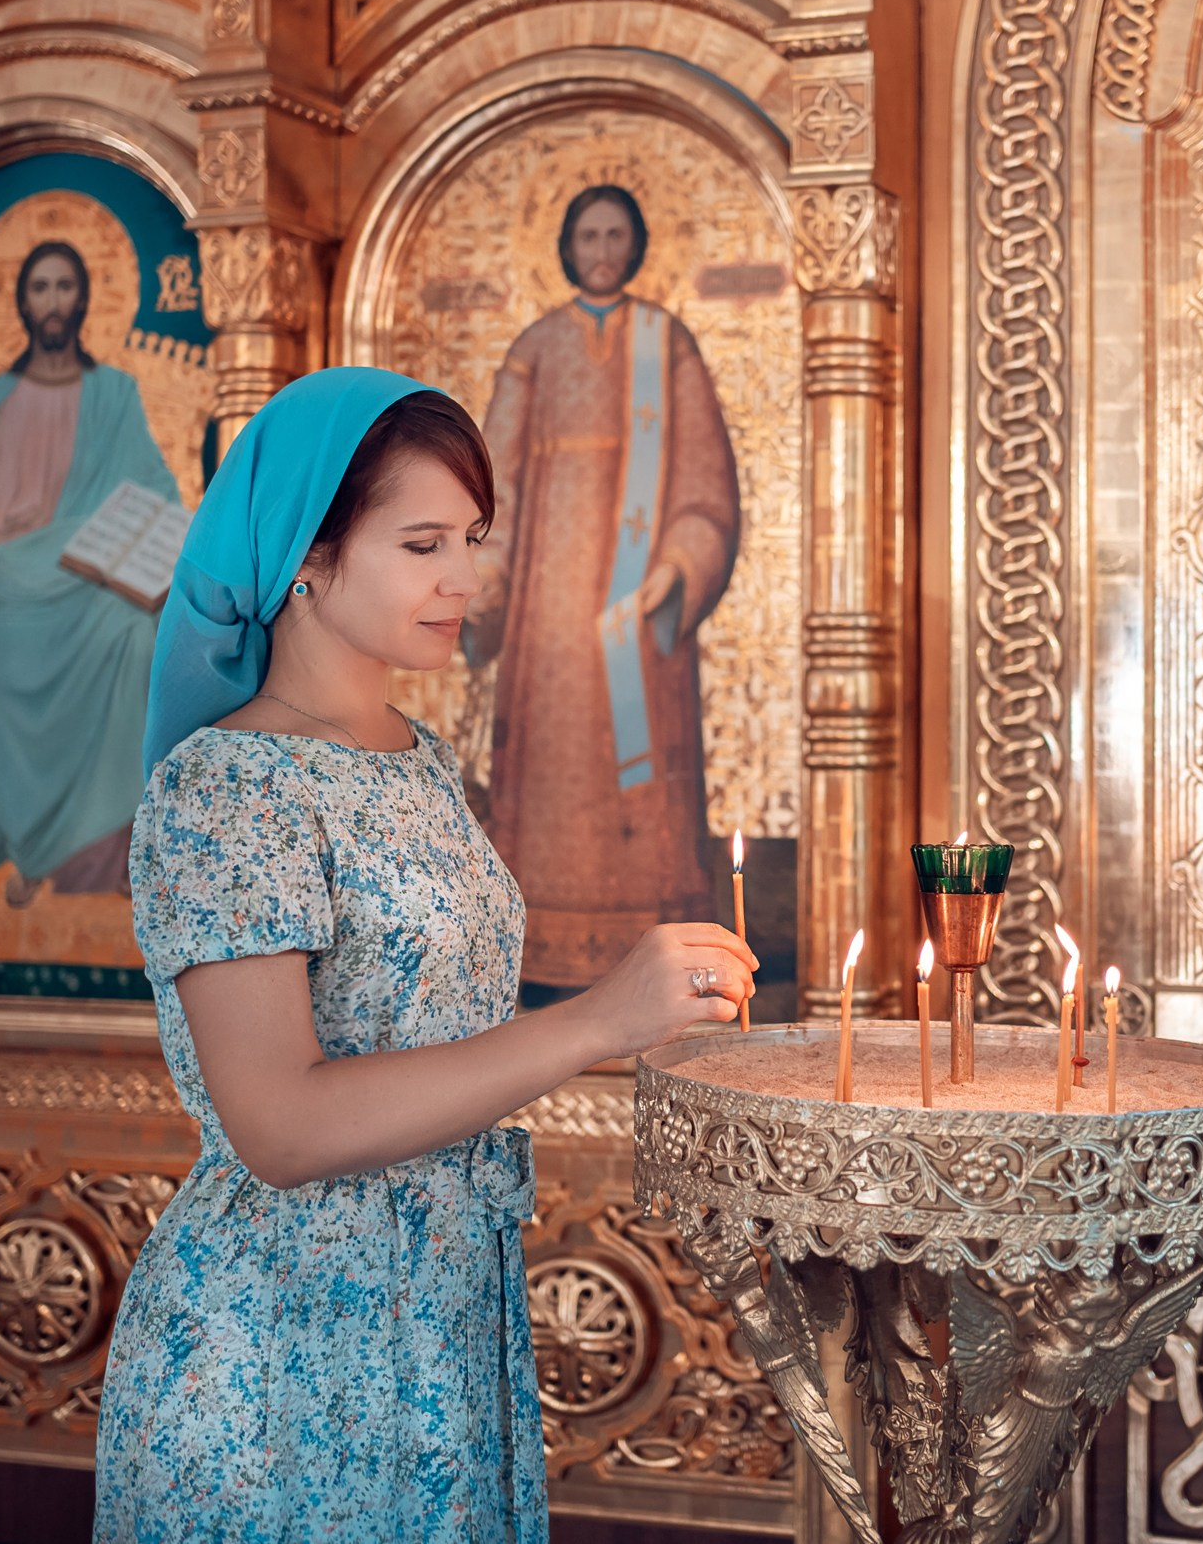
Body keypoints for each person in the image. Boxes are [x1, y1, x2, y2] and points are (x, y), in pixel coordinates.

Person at [96, 368, 756, 1542]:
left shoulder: (420, 758)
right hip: (282, 1357)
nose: (466, 576)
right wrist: (596, 1019)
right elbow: (280, 1126)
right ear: (307, 553)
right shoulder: (227, 786)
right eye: (421, 544)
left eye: (472, 537)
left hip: (445, 1325)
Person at [468, 185, 741, 996]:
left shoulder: (667, 343)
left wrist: (682, 560)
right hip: (546, 607)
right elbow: (495, 481)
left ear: (637, 242)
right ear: (566, 244)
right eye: (588, 234)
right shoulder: (536, 346)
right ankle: (537, 954)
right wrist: (483, 581)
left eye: (616, 233)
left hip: (637, 612)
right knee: (549, 762)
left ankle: (649, 955)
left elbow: (705, 477)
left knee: (639, 774)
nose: (601, 249)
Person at [0, 241, 180, 912]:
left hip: (96, 582)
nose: (53, 301)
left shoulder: (114, 394)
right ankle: (35, 847)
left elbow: (154, 491)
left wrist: (111, 538)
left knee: (140, 642)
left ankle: (119, 852)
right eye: (40, 288)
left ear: (83, 299)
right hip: (10, 586)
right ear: (23, 304)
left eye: (64, 286)